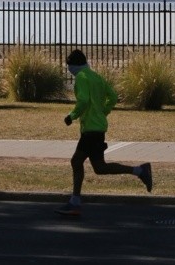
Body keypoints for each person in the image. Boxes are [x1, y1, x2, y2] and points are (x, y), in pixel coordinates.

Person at [56, 49, 153, 216]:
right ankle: (140, 171)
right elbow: (113, 96)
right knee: (100, 168)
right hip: (98, 128)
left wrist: (71, 116)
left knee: (76, 161)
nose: (69, 70)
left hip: (91, 130)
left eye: (69, 66)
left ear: (74, 65)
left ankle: (75, 202)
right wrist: (103, 111)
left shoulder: (81, 77)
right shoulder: (96, 77)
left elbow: (84, 100)